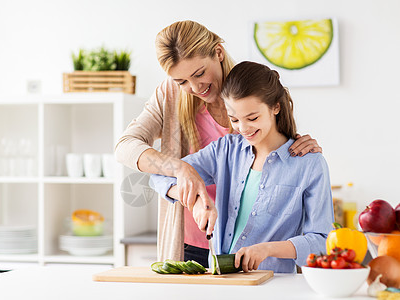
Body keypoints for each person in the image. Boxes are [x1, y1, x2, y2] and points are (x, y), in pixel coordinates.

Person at [115, 20, 322, 267]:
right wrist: (184, 173)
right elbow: (126, 147)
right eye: (181, 82)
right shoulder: (171, 96)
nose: (194, 87)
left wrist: (298, 145)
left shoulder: (251, 90)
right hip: (190, 239)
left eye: (199, 73)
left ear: (218, 53)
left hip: (256, 251)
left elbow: (277, 148)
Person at [149, 61, 334, 273]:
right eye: (234, 119)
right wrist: (196, 200)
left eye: (252, 118)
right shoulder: (225, 150)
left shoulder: (309, 164)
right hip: (221, 283)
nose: (243, 129)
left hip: (274, 285)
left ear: (276, 107)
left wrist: (267, 249)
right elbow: (159, 174)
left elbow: (322, 242)